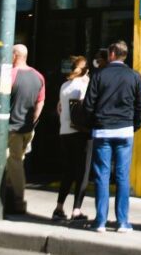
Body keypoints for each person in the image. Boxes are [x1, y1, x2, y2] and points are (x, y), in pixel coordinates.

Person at [83, 40, 141, 233]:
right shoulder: (135, 76)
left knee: (102, 176)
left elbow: (88, 105)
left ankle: (100, 221)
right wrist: (134, 126)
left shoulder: (99, 75)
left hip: (102, 130)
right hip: (125, 130)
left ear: (111, 54)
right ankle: (122, 221)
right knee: (122, 176)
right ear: (124, 55)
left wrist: (93, 123)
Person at [6, 44, 45, 215]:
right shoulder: (38, 77)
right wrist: (33, 120)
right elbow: (40, 101)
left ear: (15, 55)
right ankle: (8, 196)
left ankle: (18, 200)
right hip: (28, 128)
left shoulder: (10, 75)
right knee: (14, 162)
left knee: (14, 163)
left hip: (12, 127)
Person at [54, 55, 90, 222]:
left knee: (68, 170)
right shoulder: (82, 86)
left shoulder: (64, 86)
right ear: (86, 71)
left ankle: (59, 206)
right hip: (80, 132)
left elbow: (60, 107)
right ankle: (76, 209)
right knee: (82, 171)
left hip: (64, 131)